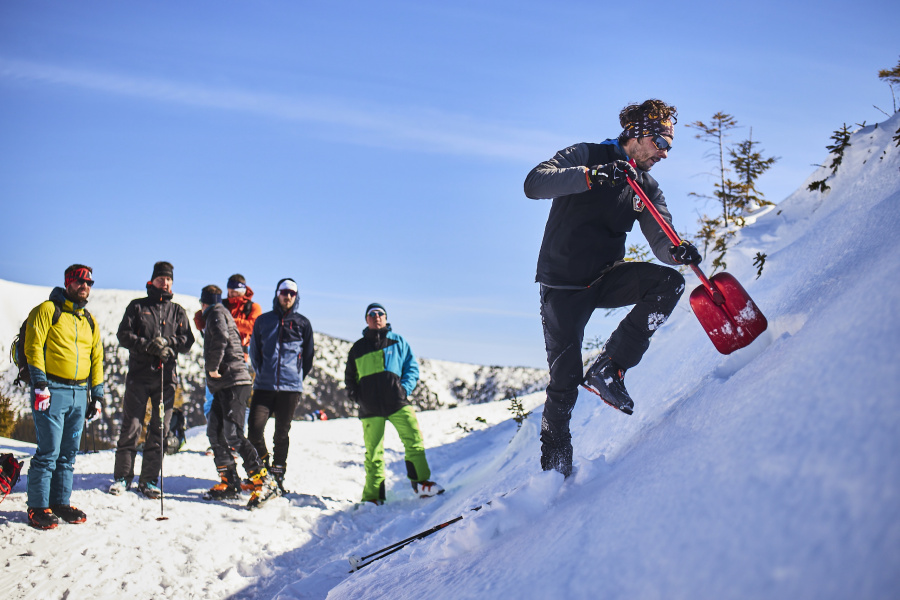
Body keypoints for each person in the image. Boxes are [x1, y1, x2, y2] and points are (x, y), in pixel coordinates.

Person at [523, 99, 702, 477]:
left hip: (604, 278)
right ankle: (555, 466)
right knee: (565, 378)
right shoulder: (588, 154)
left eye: (669, 146)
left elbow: (662, 239)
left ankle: (610, 366)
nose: (665, 154)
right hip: (562, 285)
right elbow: (534, 183)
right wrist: (593, 175)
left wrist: (678, 251)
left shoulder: (646, 187)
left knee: (669, 283)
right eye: (662, 143)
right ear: (637, 134)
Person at [23, 265, 104, 529]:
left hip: (80, 393)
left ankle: (60, 502)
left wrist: (98, 395)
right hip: (52, 390)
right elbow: (33, 346)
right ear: (68, 282)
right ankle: (37, 506)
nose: (85, 286)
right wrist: (40, 384)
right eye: (80, 281)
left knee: (68, 453)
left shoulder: (89, 320)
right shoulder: (47, 310)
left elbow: (97, 358)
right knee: (48, 451)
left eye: (89, 282)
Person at [110, 261, 195, 498]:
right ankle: (122, 477)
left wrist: (169, 344)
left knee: (160, 428)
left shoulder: (177, 311)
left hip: (166, 378)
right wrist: (147, 346)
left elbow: (188, 340)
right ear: (153, 280)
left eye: (168, 279)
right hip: (139, 376)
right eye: (161, 279)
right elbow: (123, 335)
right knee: (132, 426)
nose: (165, 283)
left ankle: (149, 480)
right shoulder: (137, 307)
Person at [344, 303, 443, 504]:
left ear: (386, 318)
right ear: (367, 320)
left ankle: (421, 483)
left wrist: (404, 389)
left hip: (397, 402)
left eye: (381, 314)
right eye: (372, 314)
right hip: (370, 408)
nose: (377, 317)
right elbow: (349, 378)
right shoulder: (358, 348)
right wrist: (358, 396)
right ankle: (373, 497)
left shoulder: (399, 342)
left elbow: (412, 368)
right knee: (374, 453)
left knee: (414, 440)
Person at [199, 285, 278, 507]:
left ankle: (263, 480)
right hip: (225, 384)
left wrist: (213, 367)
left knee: (232, 433)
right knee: (214, 430)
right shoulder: (220, 313)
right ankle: (229, 480)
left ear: (204, 302)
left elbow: (221, 339)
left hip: (234, 381)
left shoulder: (216, 313)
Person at [248, 278, 315, 493]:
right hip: (264, 385)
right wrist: (262, 372)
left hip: (290, 388)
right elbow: (254, 351)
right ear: (277, 294)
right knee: (254, 429)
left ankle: (278, 472)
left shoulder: (303, 323)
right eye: (284, 292)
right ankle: (263, 468)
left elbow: (308, 357)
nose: (287, 296)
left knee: (281, 433)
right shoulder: (263, 321)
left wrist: (295, 376)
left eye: (292, 293)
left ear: (296, 297)